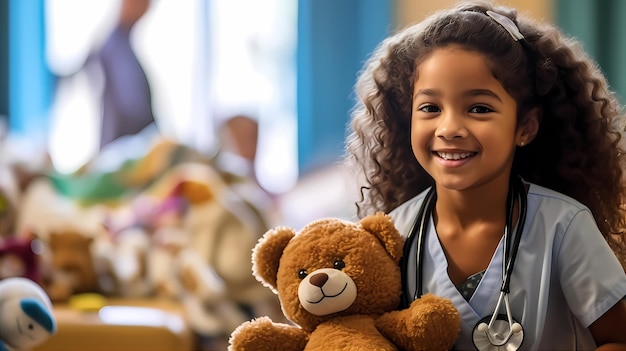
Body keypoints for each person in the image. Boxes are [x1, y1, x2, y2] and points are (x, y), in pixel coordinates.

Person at [344, 1, 626, 350]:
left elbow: (616, 340)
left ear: (525, 127)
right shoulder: (392, 237)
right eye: (430, 108)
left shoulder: (563, 227)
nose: (449, 128)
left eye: (479, 108)